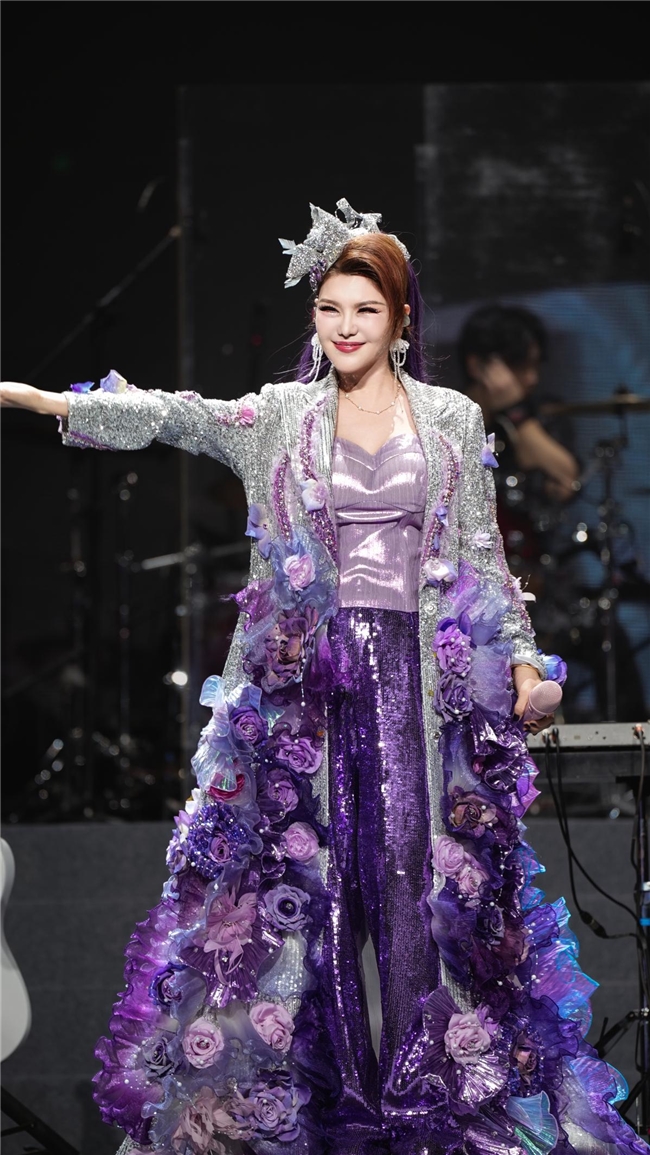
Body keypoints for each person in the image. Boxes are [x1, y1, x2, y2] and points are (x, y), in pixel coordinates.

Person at [2, 201, 645, 1155]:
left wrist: (520, 660)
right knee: (311, 897)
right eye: (330, 308)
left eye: (366, 310)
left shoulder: (452, 418)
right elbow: (179, 414)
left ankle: (437, 1106)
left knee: (420, 893)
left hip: (421, 686)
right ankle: (318, 1106)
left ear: (401, 319)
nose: (345, 326)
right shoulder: (283, 415)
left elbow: (483, 555)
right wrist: (51, 404)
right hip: (306, 688)